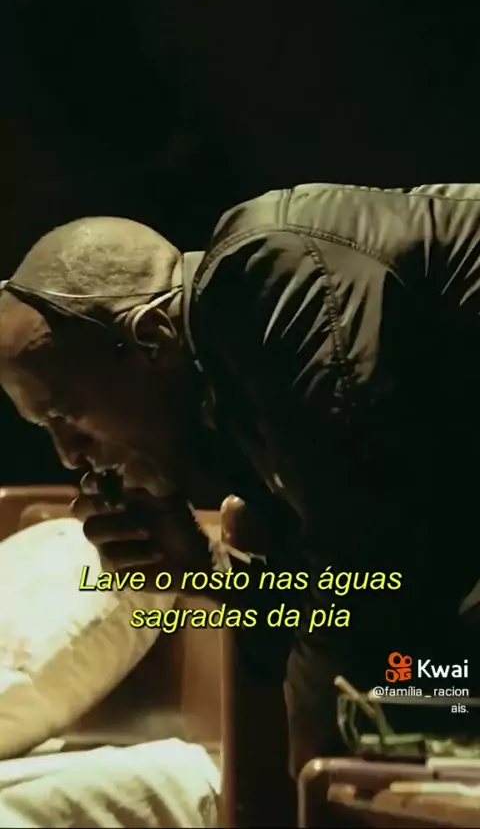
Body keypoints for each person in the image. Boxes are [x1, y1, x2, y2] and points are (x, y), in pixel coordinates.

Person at [0, 183, 479, 780]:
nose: (69, 456)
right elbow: (340, 611)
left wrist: (311, 766)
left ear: (151, 339)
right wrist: (204, 572)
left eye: (65, 414)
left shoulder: (265, 272)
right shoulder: (240, 401)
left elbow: (367, 583)